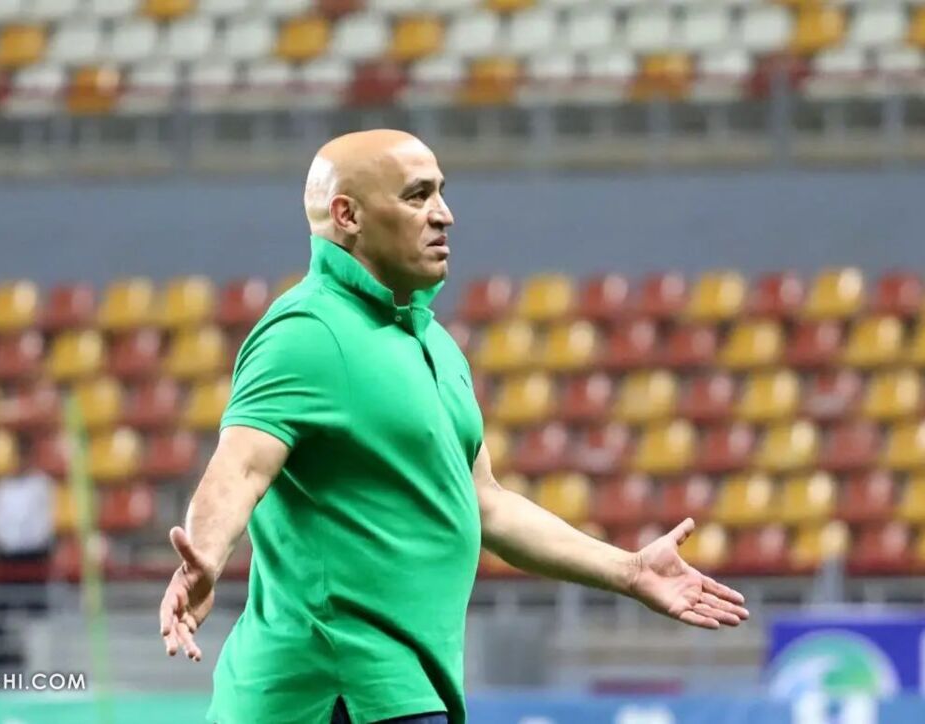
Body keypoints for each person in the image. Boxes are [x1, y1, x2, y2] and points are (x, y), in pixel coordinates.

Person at [157, 129, 750, 724]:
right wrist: (205, 555)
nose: (444, 214)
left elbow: (485, 504)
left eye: (441, 192)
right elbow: (240, 468)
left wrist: (629, 571)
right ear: (348, 216)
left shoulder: (434, 343)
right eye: (417, 196)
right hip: (332, 689)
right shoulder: (305, 332)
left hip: (406, 689)